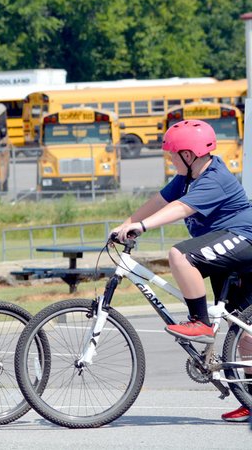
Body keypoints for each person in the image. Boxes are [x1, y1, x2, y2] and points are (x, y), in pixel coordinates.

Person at [111, 119, 252, 423]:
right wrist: (127, 224)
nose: (169, 159)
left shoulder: (214, 177)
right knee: (243, 331)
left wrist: (143, 227)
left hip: (244, 239)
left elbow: (181, 209)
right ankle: (251, 399)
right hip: (224, 247)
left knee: (180, 255)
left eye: (173, 154)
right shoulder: (186, 177)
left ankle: (198, 322)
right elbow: (160, 201)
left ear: (190, 155)